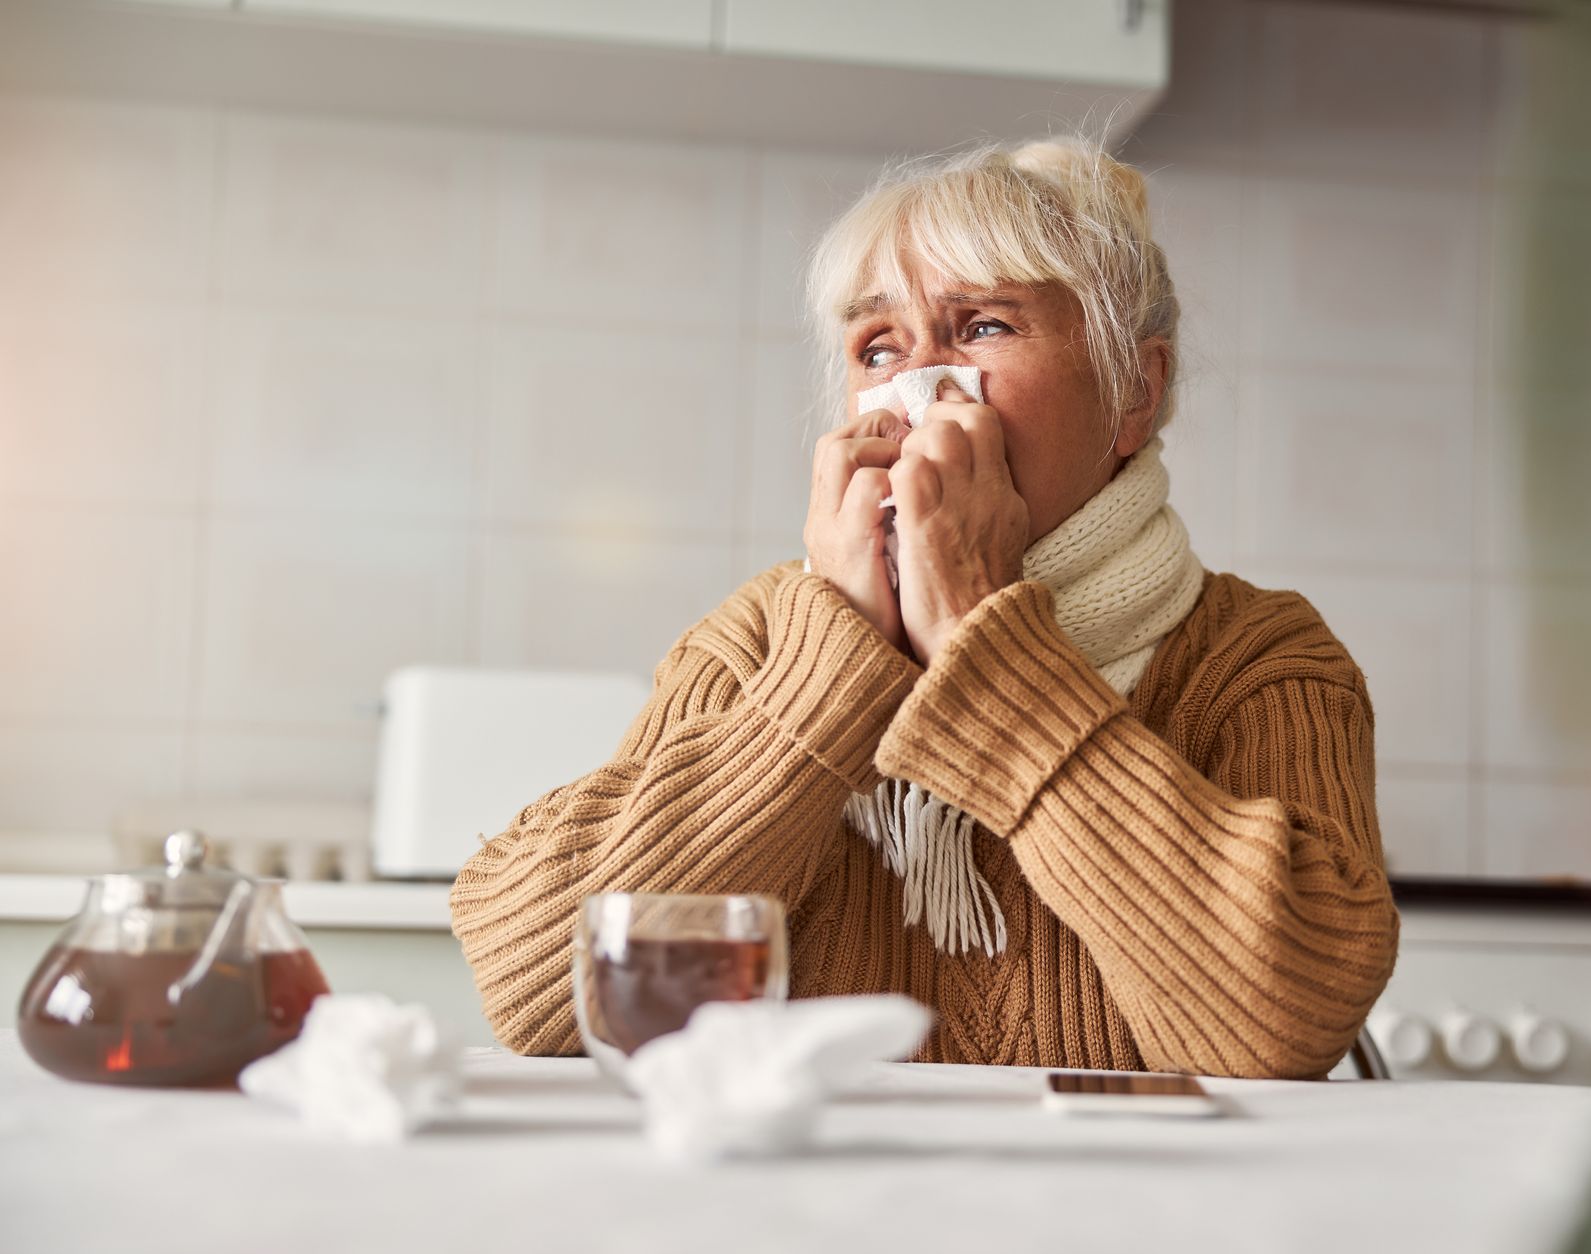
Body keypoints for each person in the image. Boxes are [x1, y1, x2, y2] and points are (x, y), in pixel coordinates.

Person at [450, 137, 1399, 1078]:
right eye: (879, 345)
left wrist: (989, 650)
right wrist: (835, 666)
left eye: (983, 326)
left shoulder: (1259, 655)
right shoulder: (760, 637)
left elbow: (1284, 1030)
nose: (921, 387)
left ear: (1133, 394)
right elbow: (539, 992)